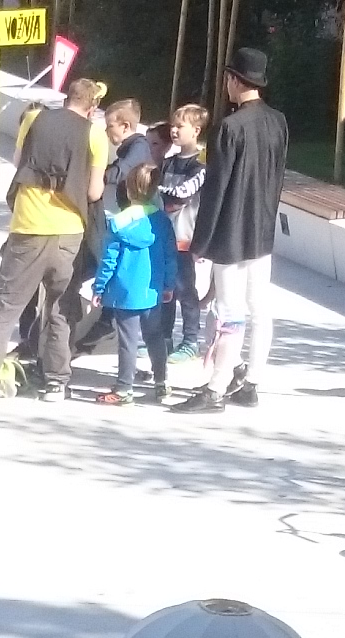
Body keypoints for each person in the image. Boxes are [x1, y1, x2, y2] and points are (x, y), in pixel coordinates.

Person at [0, 94, 96, 407]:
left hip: (28, 228)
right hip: (69, 232)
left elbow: (17, 161)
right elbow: (94, 191)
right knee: (60, 307)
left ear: (66, 99)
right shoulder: (95, 133)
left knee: (6, 305)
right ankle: (55, 383)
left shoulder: (35, 119)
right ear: (92, 107)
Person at [178, 48, 289, 413]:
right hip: (262, 229)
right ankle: (252, 381)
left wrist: (201, 240)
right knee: (260, 309)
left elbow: (216, 189)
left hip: (230, 231)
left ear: (234, 80)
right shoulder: (278, 122)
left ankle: (216, 386)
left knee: (228, 310)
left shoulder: (230, 127)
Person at [91, 163, 176, 407]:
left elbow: (109, 259)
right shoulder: (162, 221)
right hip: (153, 290)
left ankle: (124, 388)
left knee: (127, 341)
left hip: (124, 292)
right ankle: (162, 382)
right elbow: (170, 255)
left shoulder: (118, 222)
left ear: (128, 190)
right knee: (155, 336)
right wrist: (169, 284)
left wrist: (99, 287)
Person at [158, 103, 209, 360]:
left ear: (196, 130)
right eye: (173, 125)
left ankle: (190, 340)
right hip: (164, 237)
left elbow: (183, 194)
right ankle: (163, 338)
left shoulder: (201, 165)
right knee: (166, 288)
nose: (174, 130)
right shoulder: (167, 163)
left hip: (185, 237)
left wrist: (159, 192)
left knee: (185, 289)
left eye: (180, 126)